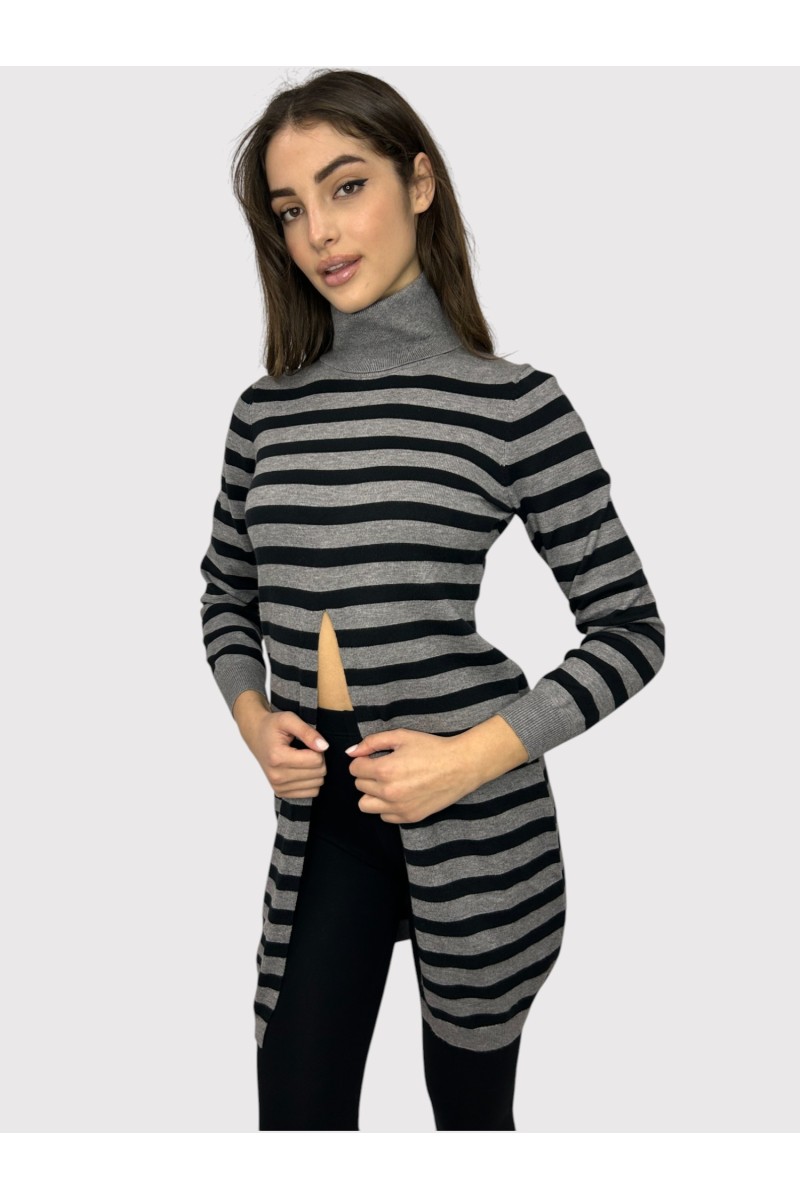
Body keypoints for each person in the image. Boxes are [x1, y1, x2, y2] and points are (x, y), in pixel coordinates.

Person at [199, 68, 666, 1132]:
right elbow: (225, 592)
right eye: (290, 210)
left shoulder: (514, 404)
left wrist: (467, 760)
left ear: (418, 183)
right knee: (295, 1122)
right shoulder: (264, 415)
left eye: (345, 186)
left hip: (479, 826)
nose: (320, 231)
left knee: (469, 1128)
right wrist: (252, 718)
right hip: (321, 820)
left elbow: (632, 629)